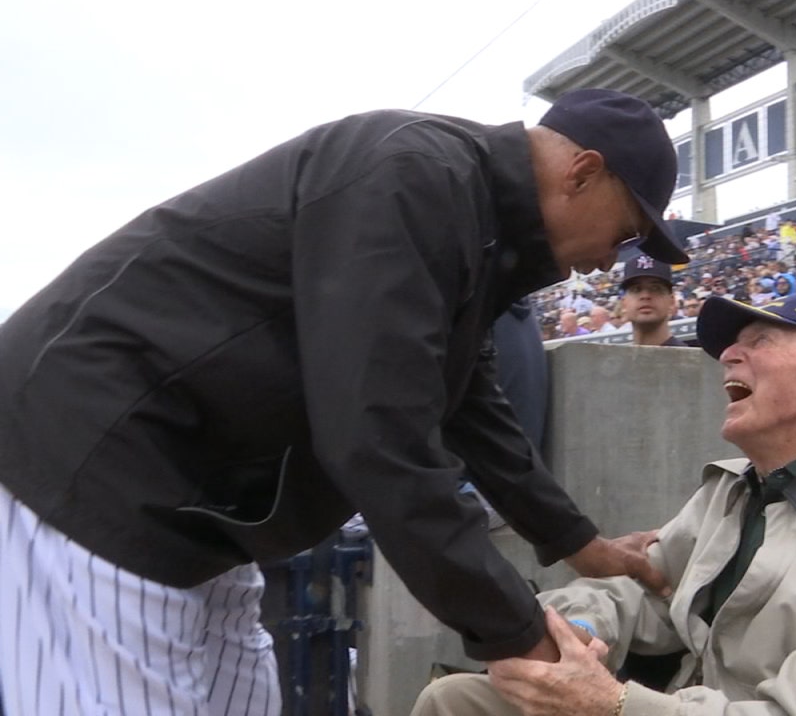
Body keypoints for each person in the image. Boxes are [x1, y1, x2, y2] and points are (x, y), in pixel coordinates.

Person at [0, 88, 687, 715]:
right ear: (582, 172)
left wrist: (577, 542)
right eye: (625, 233)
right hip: (87, 472)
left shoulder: (474, 220)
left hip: (196, 508)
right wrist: (520, 634)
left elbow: (470, 404)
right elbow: (379, 439)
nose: (612, 261)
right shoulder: (416, 175)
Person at [414, 292, 796, 716]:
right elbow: (649, 590)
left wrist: (616, 704)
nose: (728, 354)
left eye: (759, 343)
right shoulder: (732, 489)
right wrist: (579, 629)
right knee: (454, 701)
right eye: (735, 345)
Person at [619, 254, 686, 347]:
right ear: (624, 304)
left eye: (656, 288)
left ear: (672, 302)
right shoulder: (618, 359)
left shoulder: (691, 359)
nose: (645, 296)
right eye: (636, 289)